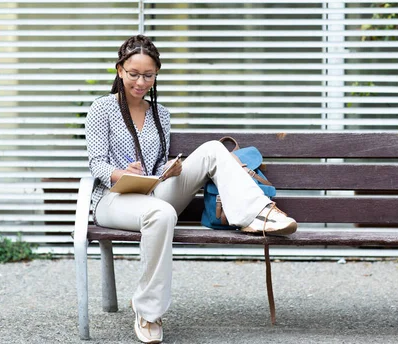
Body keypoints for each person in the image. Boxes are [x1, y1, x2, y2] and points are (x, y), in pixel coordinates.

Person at [85, 34, 298, 344]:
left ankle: (259, 213)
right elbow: (96, 164)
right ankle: (148, 312)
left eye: (148, 75)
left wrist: (167, 171)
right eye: (134, 74)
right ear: (120, 70)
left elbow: (156, 164)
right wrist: (120, 173)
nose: (141, 82)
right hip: (114, 198)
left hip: (152, 192)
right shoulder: (102, 109)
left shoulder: (161, 113)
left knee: (213, 148)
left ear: (156, 74)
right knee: (161, 215)